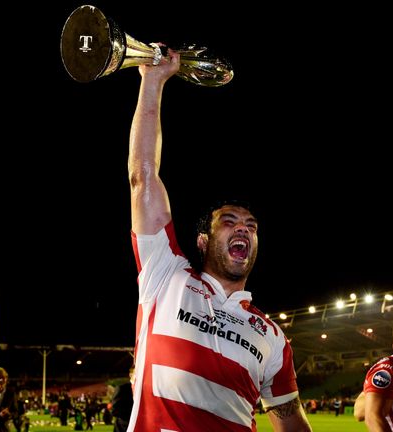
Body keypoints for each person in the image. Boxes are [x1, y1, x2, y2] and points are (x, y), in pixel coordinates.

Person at [127, 48, 311, 431]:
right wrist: (152, 82)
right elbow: (143, 177)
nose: (243, 227)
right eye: (229, 221)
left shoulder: (273, 337)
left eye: (251, 225)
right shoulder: (166, 276)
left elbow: (291, 422)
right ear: (202, 241)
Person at [110, 367, 134, 432]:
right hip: (123, 427)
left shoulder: (144, 389)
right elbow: (114, 411)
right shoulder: (122, 388)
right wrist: (133, 415)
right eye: (136, 373)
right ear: (130, 374)